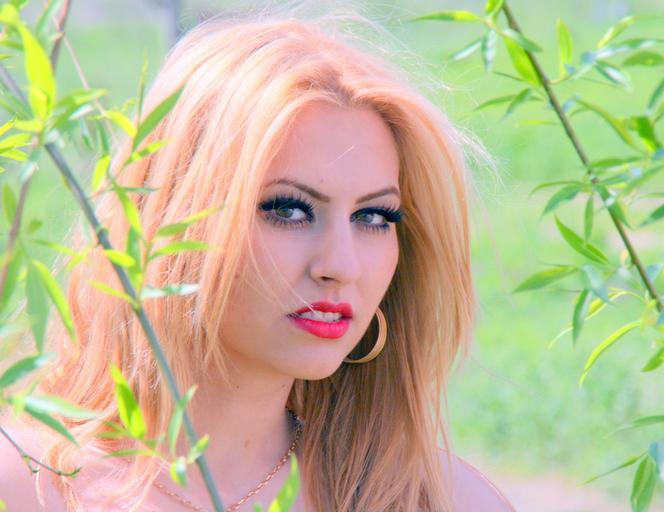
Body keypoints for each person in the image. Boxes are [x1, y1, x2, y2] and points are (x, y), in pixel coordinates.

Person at [0, 9, 515, 512]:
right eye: (288, 209)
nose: (341, 265)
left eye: (374, 217)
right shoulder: (30, 485)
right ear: (176, 216)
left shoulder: (438, 500)